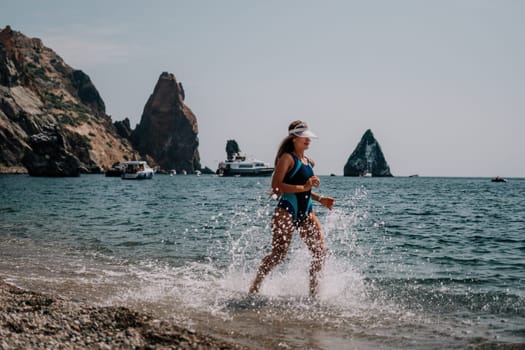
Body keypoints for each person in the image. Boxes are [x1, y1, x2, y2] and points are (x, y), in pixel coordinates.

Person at [249, 120, 335, 297]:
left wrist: (320, 199)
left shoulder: (309, 161)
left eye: (308, 137)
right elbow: (277, 187)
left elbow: (304, 188)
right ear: (294, 138)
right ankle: (254, 287)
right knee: (279, 254)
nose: (308, 140)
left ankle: (313, 297)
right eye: (303, 137)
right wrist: (304, 187)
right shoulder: (287, 158)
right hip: (286, 211)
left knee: (319, 253)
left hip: (307, 212)